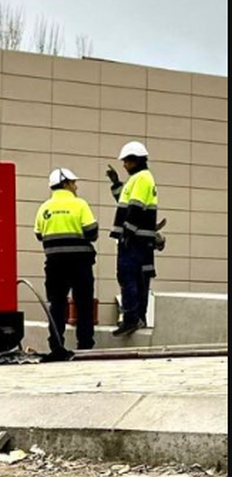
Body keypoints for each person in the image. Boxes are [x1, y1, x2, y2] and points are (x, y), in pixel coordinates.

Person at [35, 169, 99, 362]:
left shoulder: (44, 208)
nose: (76, 186)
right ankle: (85, 345)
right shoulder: (80, 205)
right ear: (65, 183)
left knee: (56, 305)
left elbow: (39, 234)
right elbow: (92, 232)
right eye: (73, 182)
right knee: (84, 304)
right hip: (80, 263)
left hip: (54, 264)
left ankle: (56, 345)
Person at [108, 141, 160, 337]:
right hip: (140, 239)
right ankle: (138, 317)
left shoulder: (142, 179)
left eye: (126, 162)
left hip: (134, 240)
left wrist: (127, 233)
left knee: (128, 275)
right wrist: (115, 184)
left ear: (135, 161)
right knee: (139, 278)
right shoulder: (140, 179)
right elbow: (125, 200)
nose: (124, 165)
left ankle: (131, 318)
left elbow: (135, 208)